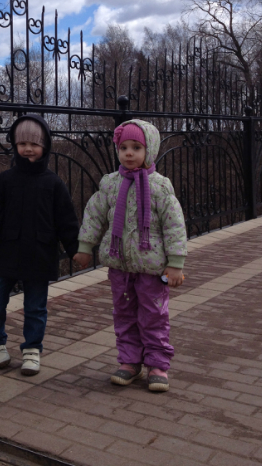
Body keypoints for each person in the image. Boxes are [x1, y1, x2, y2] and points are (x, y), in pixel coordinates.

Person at [74, 119, 186, 392]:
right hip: (120, 266)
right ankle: (130, 361)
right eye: (123, 147)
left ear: (150, 150)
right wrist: (85, 246)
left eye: (136, 147)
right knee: (124, 315)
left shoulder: (160, 187)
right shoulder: (110, 184)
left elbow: (174, 225)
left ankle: (157, 365)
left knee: (154, 316)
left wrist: (175, 263)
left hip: (152, 268)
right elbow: (94, 215)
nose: (129, 153)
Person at [0, 114, 79, 376]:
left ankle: (32, 349)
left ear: (45, 146)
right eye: (22, 143)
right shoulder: (6, 180)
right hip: (7, 253)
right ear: (15, 145)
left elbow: (66, 221)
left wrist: (77, 251)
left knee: (35, 307)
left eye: (34, 144)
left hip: (39, 254)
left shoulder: (53, 183)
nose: (28, 149)